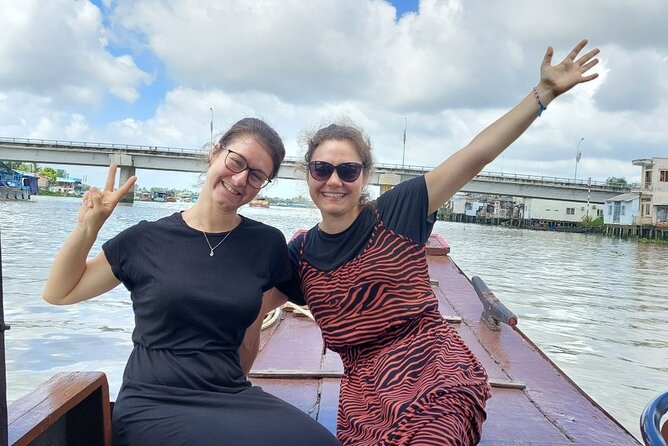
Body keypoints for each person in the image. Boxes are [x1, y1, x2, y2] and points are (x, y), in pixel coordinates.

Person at [275, 40, 601, 445]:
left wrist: (543, 93)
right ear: (307, 173)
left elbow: (476, 154)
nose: (334, 181)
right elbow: (240, 305)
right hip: (364, 399)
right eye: (322, 169)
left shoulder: (397, 212)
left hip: (436, 375)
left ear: (365, 175)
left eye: (348, 170)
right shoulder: (299, 257)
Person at [42, 118, 340, 446]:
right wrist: (88, 229)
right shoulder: (146, 239)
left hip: (230, 394)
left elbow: (302, 290)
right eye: (236, 161)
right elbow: (59, 293)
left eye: (256, 175)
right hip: (153, 400)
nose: (240, 179)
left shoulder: (266, 243)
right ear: (215, 154)